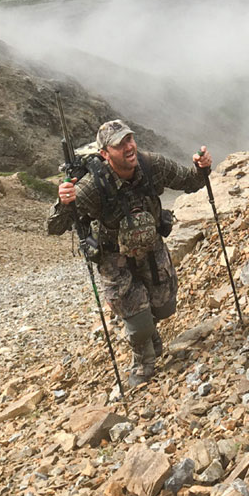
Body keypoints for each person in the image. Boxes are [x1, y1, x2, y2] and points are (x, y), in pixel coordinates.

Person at [47, 120, 212, 386]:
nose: (129, 146)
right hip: (114, 259)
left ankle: (149, 330)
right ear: (105, 154)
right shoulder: (92, 186)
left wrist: (202, 167)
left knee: (165, 306)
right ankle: (142, 361)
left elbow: (191, 181)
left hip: (151, 247)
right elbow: (54, 226)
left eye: (130, 139)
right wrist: (63, 202)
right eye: (119, 144)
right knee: (138, 320)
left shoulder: (151, 166)